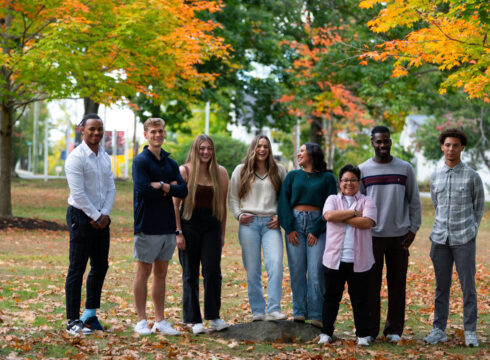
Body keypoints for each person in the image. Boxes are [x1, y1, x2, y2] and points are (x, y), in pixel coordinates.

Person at [359, 125, 421, 342]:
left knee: (397, 285)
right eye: (379, 141)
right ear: (372, 142)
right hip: (372, 236)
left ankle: (394, 330)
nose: (383, 145)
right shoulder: (363, 170)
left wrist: (413, 229)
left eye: (386, 141)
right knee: (370, 287)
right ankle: (369, 331)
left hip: (399, 236)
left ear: (390, 142)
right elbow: (358, 205)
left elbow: (414, 200)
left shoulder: (405, 168)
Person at [423, 129, 485, 347]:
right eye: (447, 145)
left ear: (462, 148)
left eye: (455, 145)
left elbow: (479, 207)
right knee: (441, 287)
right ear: (442, 147)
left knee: (468, 287)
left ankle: (470, 331)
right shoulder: (435, 176)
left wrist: (472, 229)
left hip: (464, 239)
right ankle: (438, 330)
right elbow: (437, 204)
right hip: (440, 239)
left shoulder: (472, 176)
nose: (451, 149)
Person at [132, 118, 188, 335]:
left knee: (161, 274)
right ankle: (140, 320)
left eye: (161, 131)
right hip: (146, 225)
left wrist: (162, 186)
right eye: (153, 131)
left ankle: (160, 320)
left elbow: (183, 191)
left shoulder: (171, 163)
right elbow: (143, 189)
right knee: (143, 271)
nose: (157, 135)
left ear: (164, 134)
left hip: (167, 226)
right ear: (146, 134)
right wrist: (169, 188)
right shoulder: (140, 161)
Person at [64, 113, 116, 335]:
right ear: (81, 130)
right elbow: (78, 193)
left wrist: (104, 214)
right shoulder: (76, 158)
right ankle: (72, 321)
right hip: (80, 217)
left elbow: (111, 188)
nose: (96, 133)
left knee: (100, 266)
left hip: (101, 219)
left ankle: (90, 315)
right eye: (92, 129)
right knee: (77, 268)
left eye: (99, 129)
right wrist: (95, 215)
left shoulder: (104, 157)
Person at [173, 134, 229, 334]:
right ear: (195, 150)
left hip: (211, 227)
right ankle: (194, 320)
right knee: (190, 273)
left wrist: (222, 234)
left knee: (213, 271)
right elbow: (175, 204)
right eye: (202, 148)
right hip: (189, 225)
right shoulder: (185, 171)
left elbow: (222, 205)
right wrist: (178, 232)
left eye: (209, 148)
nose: (205, 152)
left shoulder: (221, 172)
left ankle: (214, 317)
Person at [228, 135, 288, 322]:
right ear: (253, 148)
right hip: (249, 224)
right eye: (259, 146)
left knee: (276, 264)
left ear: (270, 150)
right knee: (252, 268)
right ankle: (257, 311)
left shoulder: (279, 170)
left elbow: (286, 198)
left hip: (271, 224)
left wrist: (280, 217)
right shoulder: (241, 170)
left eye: (266, 147)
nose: (262, 150)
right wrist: (238, 215)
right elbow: (232, 198)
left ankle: (274, 309)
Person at [278, 143, 337, 328]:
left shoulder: (327, 178)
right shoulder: (292, 176)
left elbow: (331, 204)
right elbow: (283, 202)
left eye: (302, 151)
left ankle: (316, 314)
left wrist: (317, 229)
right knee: (296, 271)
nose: (298, 154)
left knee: (316, 271)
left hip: (317, 226)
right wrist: (289, 227)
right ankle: (300, 312)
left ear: (312, 153)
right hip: (295, 225)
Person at [318, 164, 377, 346]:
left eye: (352, 180)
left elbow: (367, 222)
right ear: (339, 182)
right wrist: (353, 213)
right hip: (334, 259)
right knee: (331, 298)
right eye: (345, 180)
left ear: (359, 183)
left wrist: (341, 217)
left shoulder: (367, 201)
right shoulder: (332, 199)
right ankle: (326, 333)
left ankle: (362, 335)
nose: (348, 183)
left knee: (360, 299)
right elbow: (328, 215)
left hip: (359, 260)